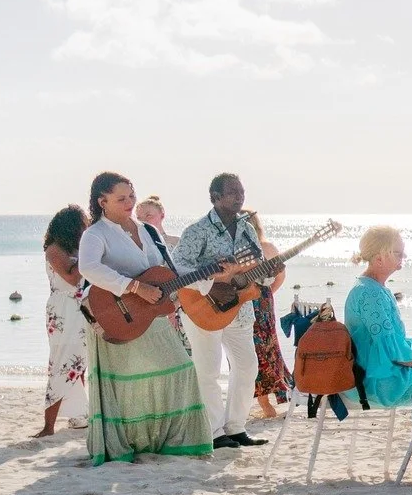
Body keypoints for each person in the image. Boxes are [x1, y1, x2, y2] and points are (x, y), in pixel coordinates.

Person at [74, 171, 214, 464]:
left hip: (152, 316)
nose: (129, 203)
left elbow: (165, 272)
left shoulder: (149, 232)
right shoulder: (95, 234)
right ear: (102, 201)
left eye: (132, 196)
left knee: (182, 368)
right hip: (117, 315)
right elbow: (88, 268)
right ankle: (132, 443)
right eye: (121, 198)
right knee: (128, 384)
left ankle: (168, 441)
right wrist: (134, 286)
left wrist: (210, 273)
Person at [171, 174, 266, 450]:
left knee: (248, 366)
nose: (240, 196)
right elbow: (178, 267)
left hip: (240, 309)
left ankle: (235, 428)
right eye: (233, 192)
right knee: (208, 370)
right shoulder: (197, 231)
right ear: (214, 197)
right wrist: (210, 285)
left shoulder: (247, 228)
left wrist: (266, 272)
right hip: (204, 309)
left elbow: (255, 264)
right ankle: (213, 432)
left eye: (242, 191)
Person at [343, 224, 412, 409]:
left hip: (373, 373)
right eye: (398, 253)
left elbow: (391, 345)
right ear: (379, 258)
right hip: (376, 383)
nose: (404, 257)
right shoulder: (371, 293)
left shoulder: (372, 287)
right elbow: (391, 350)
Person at [33, 204, 90, 438]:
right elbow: (72, 277)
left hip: (82, 307)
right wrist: (89, 254)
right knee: (61, 364)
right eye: (83, 224)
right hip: (64, 310)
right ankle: (48, 426)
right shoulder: (54, 250)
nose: (87, 228)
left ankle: (80, 416)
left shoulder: (76, 248)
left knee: (80, 364)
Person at [247, 212, 291, 419]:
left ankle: (264, 403)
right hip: (261, 302)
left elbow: (281, 275)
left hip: (254, 303)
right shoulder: (268, 247)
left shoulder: (261, 248)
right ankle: (266, 400)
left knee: (256, 350)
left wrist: (263, 294)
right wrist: (267, 293)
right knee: (267, 348)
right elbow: (280, 278)